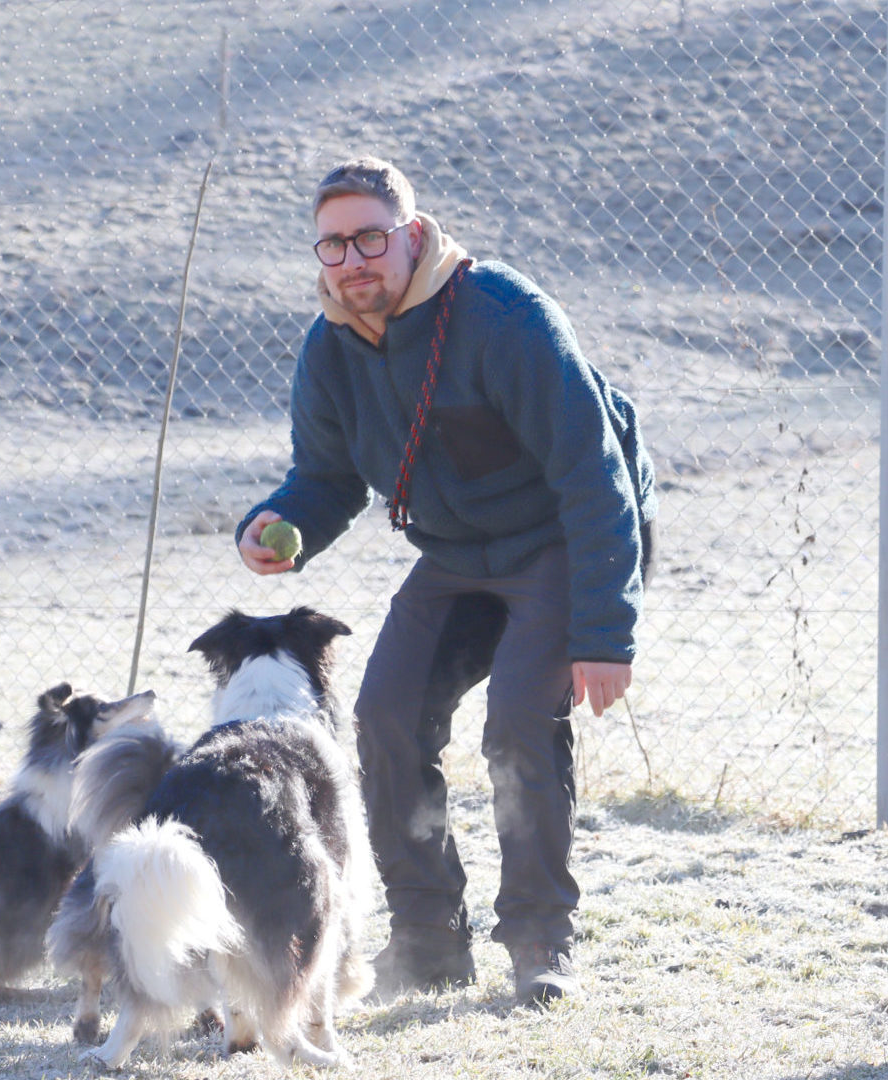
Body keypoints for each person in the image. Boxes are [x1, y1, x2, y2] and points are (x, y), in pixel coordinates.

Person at [235, 157, 658, 1006]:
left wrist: (606, 636)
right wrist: (280, 526)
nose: (353, 260)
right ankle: (428, 941)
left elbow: (594, 473)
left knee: (516, 727)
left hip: (557, 545)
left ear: (414, 236)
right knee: (387, 715)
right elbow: (324, 478)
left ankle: (542, 948)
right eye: (333, 245)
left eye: (370, 238)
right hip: (457, 556)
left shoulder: (503, 316)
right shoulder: (330, 347)